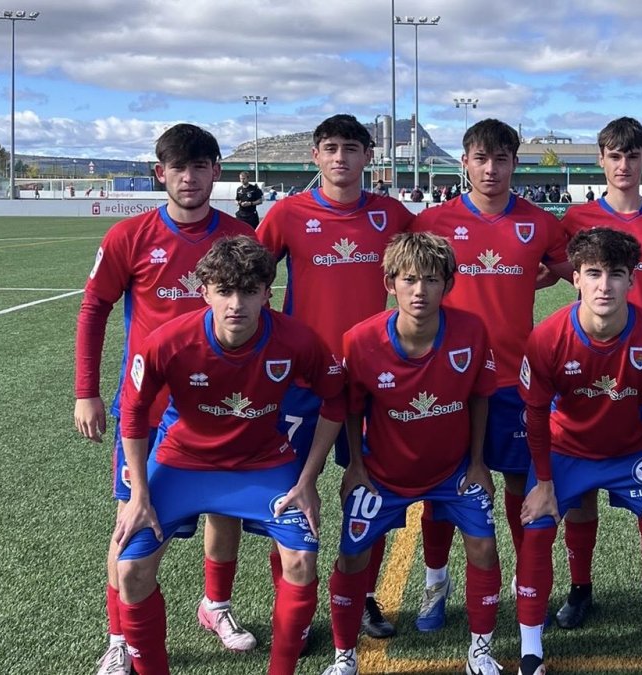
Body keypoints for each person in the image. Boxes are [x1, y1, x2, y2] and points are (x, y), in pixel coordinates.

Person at [113, 235, 347, 675]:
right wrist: (139, 492)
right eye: (224, 291)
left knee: (301, 559)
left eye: (247, 291)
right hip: (183, 461)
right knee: (130, 569)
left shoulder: (297, 340)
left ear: (266, 293)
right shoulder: (169, 342)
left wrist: (307, 480)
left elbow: (335, 401)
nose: (235, 303)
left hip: (263, 462)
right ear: (204, 293)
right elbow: (134, 407)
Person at [73, 123, 258, 675]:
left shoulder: (239, 239)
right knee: (131, 520)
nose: (190, 177)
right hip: (148, 411)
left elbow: (259, 313)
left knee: (222, 511)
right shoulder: (128, 237)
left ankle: (216, 606)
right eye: (179, 167)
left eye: (201, 166)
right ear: (161, 174)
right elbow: (93, 310)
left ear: (216, 172)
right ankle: (120, 639)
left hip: (221, 409)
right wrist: (86, 391)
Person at [409, 118, 572, 631]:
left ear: (514, 164)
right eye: (481, 158)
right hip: (447, 382)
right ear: (465, 162)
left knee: (523, 488)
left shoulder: (541, 224)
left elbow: (574, 272)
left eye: (501, 159)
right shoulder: (431, 223)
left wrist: (534, 277)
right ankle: (435, 585)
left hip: (514, 382)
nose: (491, 168)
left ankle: (529, 588)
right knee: (444, 490)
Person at [256, 112, 414, 638]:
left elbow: (429, 274)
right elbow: (247, 279)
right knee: (289, 492)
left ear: (369, 156)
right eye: (330, 147)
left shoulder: (393, 215)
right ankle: (294, 609)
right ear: (315, 156)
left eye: (351, 147)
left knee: (369, 492)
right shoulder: (286, 215)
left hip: (376, 381)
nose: (340, 157)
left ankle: (362, 595)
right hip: (301, 383)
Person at [319, 232, 504, 675]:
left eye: (432, 280)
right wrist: (356, 466)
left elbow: (480, 396)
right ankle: (344, 656)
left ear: (449, 284)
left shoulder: (472, 331)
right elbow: (350, 407)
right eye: (410, 280)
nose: (420, 291)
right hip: (383, 475)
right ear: (390, 284)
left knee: (483, 546)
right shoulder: (359, 341)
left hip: (453, 470)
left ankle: (480, 649)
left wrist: (477, 462)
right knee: (350, 556)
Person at [517, 227, 642, 675]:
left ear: (632, 280)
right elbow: (535, 414)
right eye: (593, 273)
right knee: (536, 525)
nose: (604, 285)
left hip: (632, 451)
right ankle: (531, 653)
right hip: (567, 450)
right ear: (575, 278)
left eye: (616, 274)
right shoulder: (548, 337)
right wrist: (542, 482)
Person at [555, 116, 642, 627]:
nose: (624, 165)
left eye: (633, 156)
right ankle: (580, 586)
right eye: (615, 155)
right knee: (582, 486)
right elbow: (544, 270)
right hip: (588, 366)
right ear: (601, 160)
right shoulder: (576, 219)